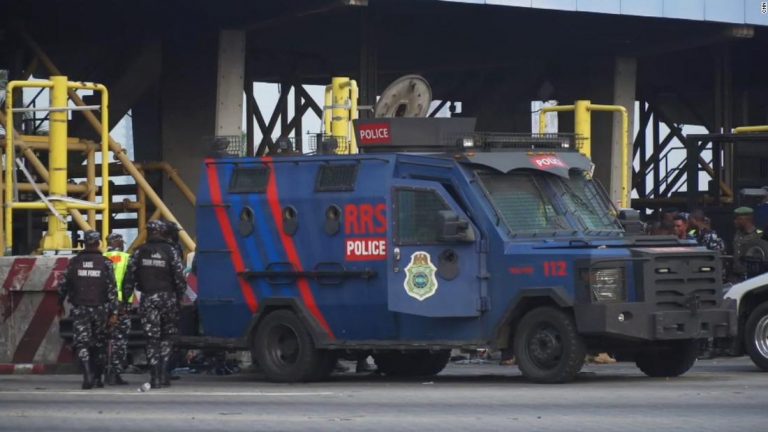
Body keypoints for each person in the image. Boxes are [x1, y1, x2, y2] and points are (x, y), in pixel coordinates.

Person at [124, 220, 186, 389]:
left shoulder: (139, 252)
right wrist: (179, 297)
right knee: (167, 338)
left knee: (151, 339)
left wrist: (125, 300)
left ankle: (155, 376)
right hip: (168, 298)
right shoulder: (171, 251)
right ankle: (164, 374)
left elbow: (129, 278)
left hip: (148, 298)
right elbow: (179, 278)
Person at [58, 230, 118, 389]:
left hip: (80, 308)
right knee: (100, 343)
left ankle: (86, 374)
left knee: (82, 343)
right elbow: (112, 289)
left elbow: (63, 285)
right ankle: (97, 377)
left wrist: (59, 303)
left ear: (84, 243)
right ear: (98, 243)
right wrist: (114, 312)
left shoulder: (74, 262)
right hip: (100, 308)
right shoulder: (105, 263)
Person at [103, 233, 132, 385]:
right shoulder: (127, 258)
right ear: (119, 242)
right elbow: (129, 283)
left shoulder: (101, 257)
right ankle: (115, 373)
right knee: (119, 340)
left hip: (102, 306)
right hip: (121, 305)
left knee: (103, 339)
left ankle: (99, 373)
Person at [732, 207, 763, 280]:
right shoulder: (738, 234)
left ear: (746, 220)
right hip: (737, 276)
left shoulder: (759, 235)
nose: (735, 222)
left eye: (738, 219)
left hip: (752, 277)